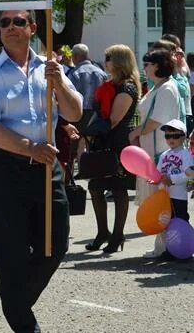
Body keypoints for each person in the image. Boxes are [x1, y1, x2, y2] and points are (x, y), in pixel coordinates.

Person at [0, 9, 82, 333]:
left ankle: (16, 303)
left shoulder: (50, 67)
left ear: (34, 28)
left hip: (47, 168)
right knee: (11, 251)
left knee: (56, 244)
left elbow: (75, 112)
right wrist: (28, 147)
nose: (11, 28)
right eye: (4, 23)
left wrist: (60, 83)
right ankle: (24, 326)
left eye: (19, 22)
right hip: (8, 166)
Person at [85, 45, 139, 254]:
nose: (105, 61)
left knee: (117, 188)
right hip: (104, 140)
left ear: (119, 61)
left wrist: (90, 130)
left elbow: (114, 119)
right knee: (96, 186)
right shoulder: (111, 85)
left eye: (109, 58)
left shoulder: (127, 87)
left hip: (116, 142)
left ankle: (117, 236)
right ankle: (102, 233)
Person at [129, 48, 182, 239]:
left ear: (158, 66)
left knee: (162, 198)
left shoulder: (167, 88)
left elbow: (156, 120)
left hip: (161, 150)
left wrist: (136, 132)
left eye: (147, 64)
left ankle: (167, 244)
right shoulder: (157, 86)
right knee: (157, 198)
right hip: (153, 148)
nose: (144, 67)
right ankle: (161, 244)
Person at [155, 119, 194, 222]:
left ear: (183, 137)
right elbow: (158, 172)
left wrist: (171, 178)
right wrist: (155, 179)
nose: (171, 139)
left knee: (181, 222)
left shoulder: (185, 154)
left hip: (179, 196)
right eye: (168, 136)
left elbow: (190, 174)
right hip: (164, 196)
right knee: (165, 223)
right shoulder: (164, 155)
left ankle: (184, 238)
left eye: (175, 136)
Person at [67, 44, 108, 128]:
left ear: (75, 56)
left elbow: (69, 96)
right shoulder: (102, 73)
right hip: (97, 115)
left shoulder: (74, 73)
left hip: (79, 116)